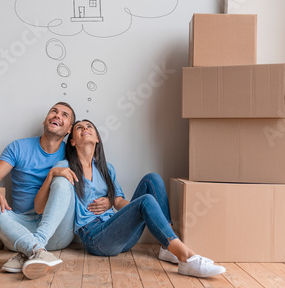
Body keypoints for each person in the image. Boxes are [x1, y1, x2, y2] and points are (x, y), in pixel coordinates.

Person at [42, 119, 226, 278]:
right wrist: (53, 174)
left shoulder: (107, 169)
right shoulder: (65, 167)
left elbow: (119, 202)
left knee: (152, 179)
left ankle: (166, 248)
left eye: (90, 126)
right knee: (145, 201)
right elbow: (54, 201)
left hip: (119, 234)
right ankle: (186, 256)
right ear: (72, 141)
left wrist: (136, 210)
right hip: (96, 238)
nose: (86, 129)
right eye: (79, 128)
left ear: (97, 138)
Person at [0, 102, 110, 280]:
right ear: (45, 121)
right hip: (20, 227)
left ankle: (32, 248)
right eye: (53, 112)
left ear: (69, 131)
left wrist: (110, 201)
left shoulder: (72, 154)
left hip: (58, 231)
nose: (57, 116)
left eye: (64, 115)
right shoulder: (18, 147)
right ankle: (37, 251)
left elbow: (95, 179)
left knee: (63, 179)